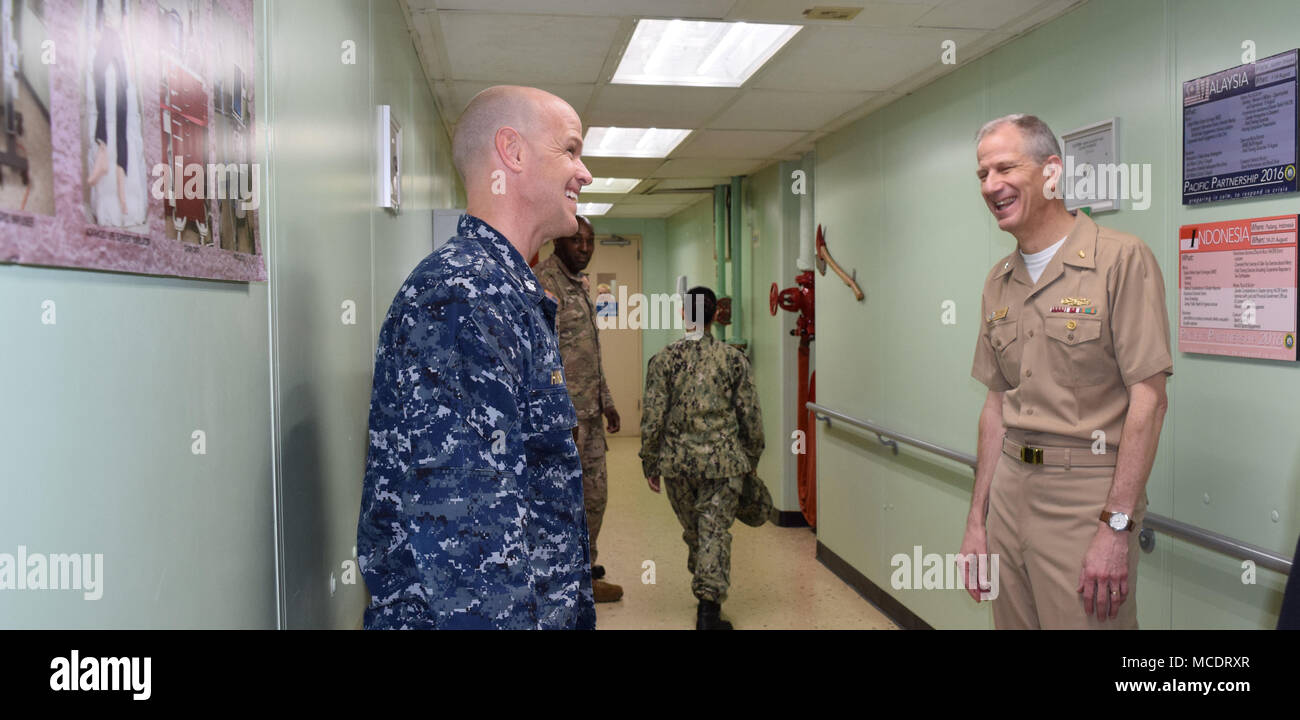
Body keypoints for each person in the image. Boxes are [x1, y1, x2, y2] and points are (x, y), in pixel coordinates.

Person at [356, 85, 595, 629]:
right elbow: (469, 549)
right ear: (512, 151)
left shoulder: (505, 292)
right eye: (572, 150)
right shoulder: (464, 297)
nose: (585, 174)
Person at [962, 114, 1172, 629]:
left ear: (1051, 172)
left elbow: (1149, 399)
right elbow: (996, 405)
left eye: (1005, 168)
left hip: (1086, 499)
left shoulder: (1121, 260)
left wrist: (1115, 526)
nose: (991, 185)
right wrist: (977, 521)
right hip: (1010, 492)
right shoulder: (999, 281)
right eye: (982, 174)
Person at [641, 287, 764, 630]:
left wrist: (650, 462)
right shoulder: (733, 360)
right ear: (714, 317)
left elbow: (652, 416)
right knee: (711, 531)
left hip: (678, 466)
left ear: (684, 314)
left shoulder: (663, 360)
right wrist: (751, 456)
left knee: (698, 531)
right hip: (723, 464)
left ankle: (707, 603)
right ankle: (708, 608)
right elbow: (751, 416)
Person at [534, 215, 624, 603]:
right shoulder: (544, 284)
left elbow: (589, 351)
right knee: (565, 500)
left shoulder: (580, 287)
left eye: (590, 242)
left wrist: (607, 402)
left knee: (595, 496)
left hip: (588, 415)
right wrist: (559, 415)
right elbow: (541, 356)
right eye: (577, 242)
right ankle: (567, 580)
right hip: (564, 421)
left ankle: (584, 566)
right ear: (557, 243)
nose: (585, 249)